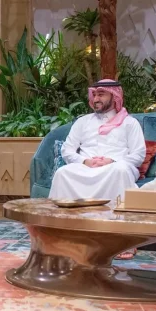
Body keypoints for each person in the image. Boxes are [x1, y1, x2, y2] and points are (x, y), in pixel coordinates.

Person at [49, 79, 146, 259]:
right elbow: (67, 150)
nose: (95, 99)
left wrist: (112, 160)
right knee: (63, 173)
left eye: (101, 94)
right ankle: (62, 236)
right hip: (86, 167)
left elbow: (138, 154)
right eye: (94, 95)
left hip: (116, 167)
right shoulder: (82, 122)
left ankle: (122, 240)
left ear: (114, 97)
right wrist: (85, 161)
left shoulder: (130, 123)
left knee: (120, 171)